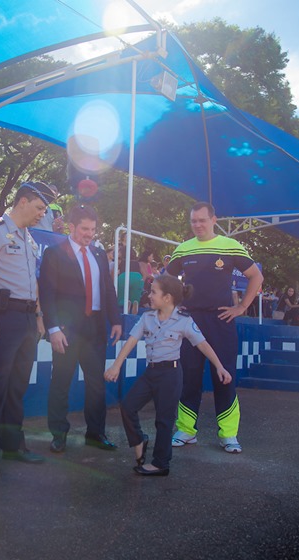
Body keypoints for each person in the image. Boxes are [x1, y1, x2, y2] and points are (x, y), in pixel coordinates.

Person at [104, 275, 231, 476]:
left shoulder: (184, 321)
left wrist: (220, 367)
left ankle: (161, 463)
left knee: (164, 420)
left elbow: (203, 344)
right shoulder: (147, 317)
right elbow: (131, 341)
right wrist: (116, 366)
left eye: (154, 292)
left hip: (171, 375)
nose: (149, 295)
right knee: (128, 406)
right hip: (151, 372)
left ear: (167, 297)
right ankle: (139, 440)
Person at [0, 180, 56, 475]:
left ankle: (12, 446)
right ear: (22, 201)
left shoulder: (29, 239)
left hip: (27, 320)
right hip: (3, 316)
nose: (41, 215)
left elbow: (33, 283)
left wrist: (40, 317)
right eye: (38, 208)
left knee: (18, 386)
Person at [166, 202, 263, 453]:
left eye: (202, 220)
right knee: (189, 376)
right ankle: (186, 430)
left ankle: (228, 434)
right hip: (190, 322)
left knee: (224, 375)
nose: (198, 225)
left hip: (221, 321)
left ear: (213, 220)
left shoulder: (230, 245)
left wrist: (241, 307)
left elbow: (257, 277)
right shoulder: (182, 250)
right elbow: (166, 281)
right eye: (193, 221)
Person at [39, 205, 122, 453]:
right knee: (61, 382)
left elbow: (108, 290)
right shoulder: (54, 253)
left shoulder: (98, 254)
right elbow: (47, 293)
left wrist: (116, 320)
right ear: (71, 227)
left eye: (93, 230)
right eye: (85, 229)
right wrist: (52, 328)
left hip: (95, 329)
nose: (90, 234)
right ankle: (59, 435)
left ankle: (95, 434)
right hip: (66, 329)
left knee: (96, 384)